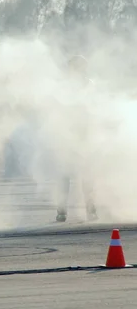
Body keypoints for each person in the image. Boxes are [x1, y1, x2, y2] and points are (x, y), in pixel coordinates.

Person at [55, 55, 97, 222]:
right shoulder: (64, 87)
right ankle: (62, 210)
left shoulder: (89, 85)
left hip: (84, 135)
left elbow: (95, 107)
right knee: (65, 176)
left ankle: (90, 208)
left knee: (85, 175)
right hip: (68, 136)